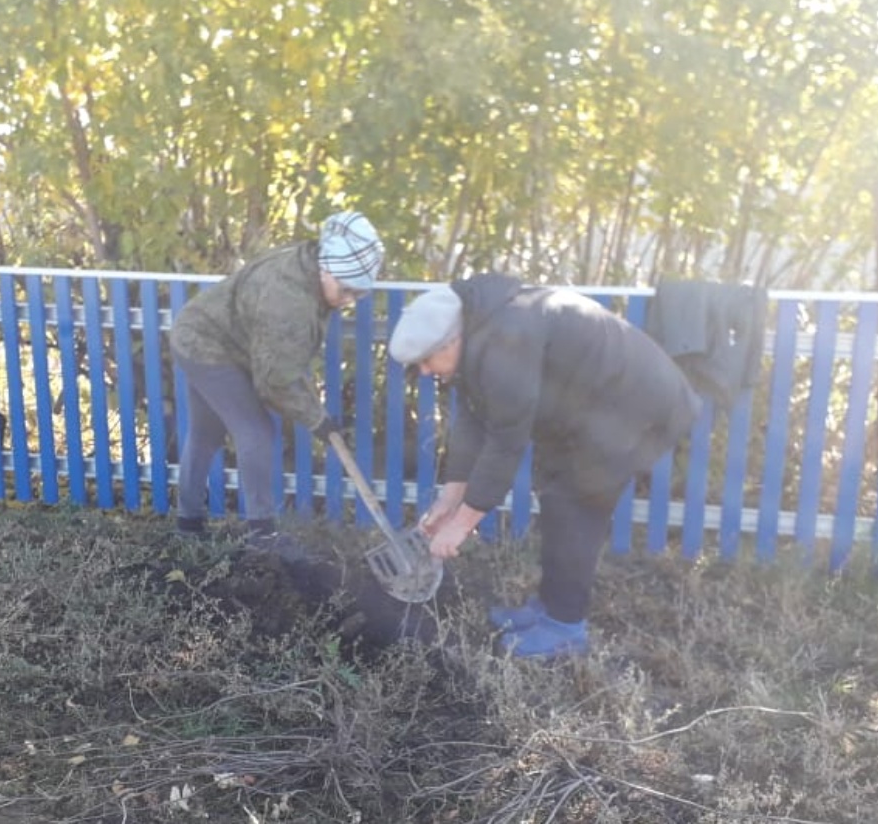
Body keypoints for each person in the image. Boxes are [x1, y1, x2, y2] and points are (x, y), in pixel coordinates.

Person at [388, 274, 700, 659]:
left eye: (426, 360)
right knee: (556, 495)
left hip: (636, 407)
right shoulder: (477, 331)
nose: (423, 371)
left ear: (452, 341)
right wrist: (449, 499)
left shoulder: (505, 342)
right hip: (590, 408)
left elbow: (505, 443)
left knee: (578, 504)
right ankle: (548, 608)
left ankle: (565, 626)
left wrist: (461, 525)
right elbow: (472, 420)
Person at [169, 211, 384, 539]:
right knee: (256, 431)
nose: (349, 301)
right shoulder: (289, 302)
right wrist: (317, 420)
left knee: (206, 433)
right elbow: (274, 382)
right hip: (207, 347)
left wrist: (316, 414)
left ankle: (188, 525)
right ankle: (262, 533)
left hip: (206, 333)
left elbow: (283, 361)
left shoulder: (308, 262)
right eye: (346, 290)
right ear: (326, 269)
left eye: (359, 294)